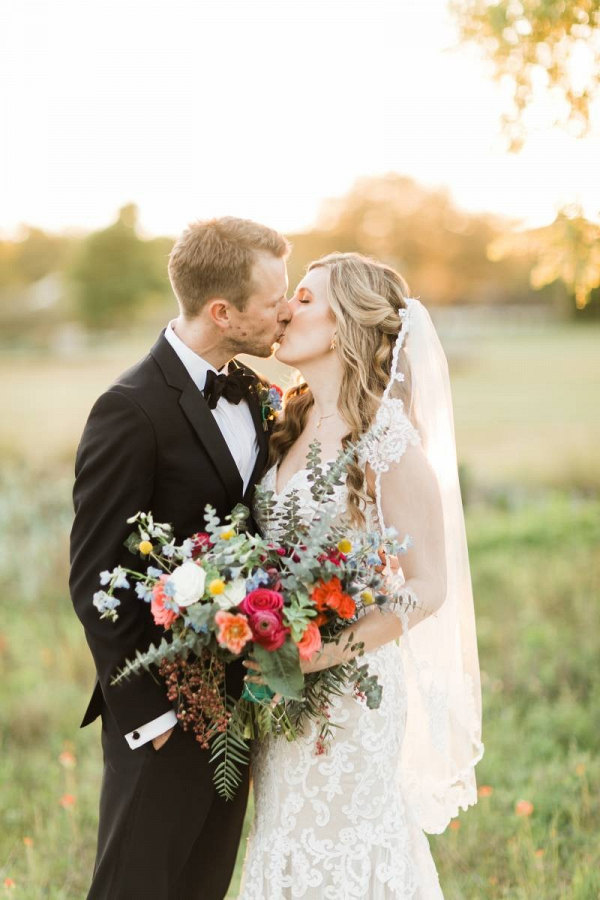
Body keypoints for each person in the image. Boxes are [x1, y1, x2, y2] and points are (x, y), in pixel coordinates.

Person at [239, 252, 484, 899]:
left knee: (344, 850)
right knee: (285, 843)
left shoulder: (387, 437)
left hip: (350, 698)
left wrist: (319, 654)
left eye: (305, 297)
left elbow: (428, 585)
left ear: (347, 322)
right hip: (281, 694)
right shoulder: (286, 421)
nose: (286, 309)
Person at [69, 216, 291, 900]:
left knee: (202, 888)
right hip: (164, 712)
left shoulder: (256, 393)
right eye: (275, 296)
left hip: (240, 705)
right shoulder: (129, 409)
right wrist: (150, 720)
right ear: (223, 311)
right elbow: (93, 578)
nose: (287, 309)